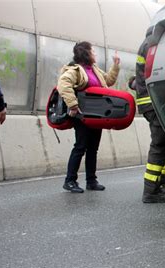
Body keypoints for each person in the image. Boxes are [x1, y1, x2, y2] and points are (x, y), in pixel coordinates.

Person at [57, 41, 120, 193]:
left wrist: (116, 65)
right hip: (82, 115)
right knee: (80, 147)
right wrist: (73, 105)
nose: (95, 54)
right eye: (93, 51)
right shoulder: (76, 70)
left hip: (96, 115)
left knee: (93, 149)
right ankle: (70, 180)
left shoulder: (94, 70)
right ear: (86, 54)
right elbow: (63, 84)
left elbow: (108, 81)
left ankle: (91, 180)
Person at [135, 38, 165, 203]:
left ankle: (159, 181)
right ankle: (150, 191)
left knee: (163, 144)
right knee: (159, 145)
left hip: (148, 103)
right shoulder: (154, 44)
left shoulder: (146, 44)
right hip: (154, 102)